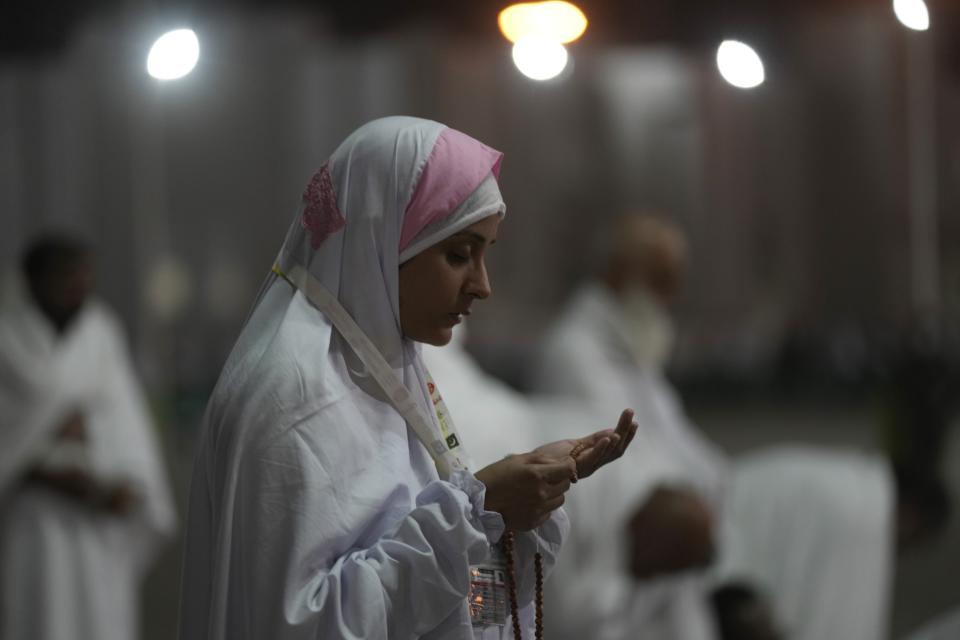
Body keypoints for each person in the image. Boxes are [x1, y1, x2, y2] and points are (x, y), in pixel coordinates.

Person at [178, 116, 637, 640]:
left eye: (487, 254)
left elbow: (460, 610)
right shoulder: (292, 398)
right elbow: (300, 628)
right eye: (459, 254)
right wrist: (473, 510)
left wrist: (507, 527)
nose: (482, 286)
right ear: (383, 239)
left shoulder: (392, 376)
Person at [532, 213, 726, 640]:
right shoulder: (573, 355)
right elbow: (623, 475)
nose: (670, 296)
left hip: (672, 586)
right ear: (620, 273)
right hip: (614, 585)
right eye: (661, 280)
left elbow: (692, 455)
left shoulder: (634, 360)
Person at [0, 233, 177, 640]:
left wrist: (121, 480)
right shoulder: (8, 340)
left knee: (100, 621)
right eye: (67, 274)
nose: (80, 284)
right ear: (35, 280)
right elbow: (10, 437)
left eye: (84, 273)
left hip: (99, 517)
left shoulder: (101, 332)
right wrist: (50, 468)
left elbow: (124, 416)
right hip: (35, 519)